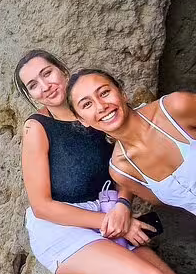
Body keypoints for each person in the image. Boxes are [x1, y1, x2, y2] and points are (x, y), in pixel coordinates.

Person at [15, 50, 195, 274]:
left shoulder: (101, 110)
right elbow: (42, 207)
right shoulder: (37, 128)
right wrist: (114, 221)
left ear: (62, 70)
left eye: (47, 73)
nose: (45, 86)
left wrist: (123, 204)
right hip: (64, 227)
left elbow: (126, 167)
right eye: (33, 85)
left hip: (110, 215)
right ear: (30, 95)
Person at [67, 68, 196, 216]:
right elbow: (158, 201)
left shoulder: (175, 108)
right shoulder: (121, 170)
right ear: (82, 120)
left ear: (122, 93)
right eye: (87, 104)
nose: (101, 106)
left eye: (104, 93)